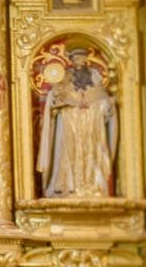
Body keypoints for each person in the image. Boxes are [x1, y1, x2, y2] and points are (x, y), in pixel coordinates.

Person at [36, 48, 117, 197]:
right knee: (67, 154)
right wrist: (58, 97)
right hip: (69, 124)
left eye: (82, 58)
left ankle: (93, 186)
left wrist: (102, 105)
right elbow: (55, 102)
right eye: (75, 58)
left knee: (92, 155)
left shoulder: (94, 79)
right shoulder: (64, 79)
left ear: (86, 60)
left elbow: (103, 101)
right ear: (71, 61)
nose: (79, 61)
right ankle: (67, 187)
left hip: (92, 126)